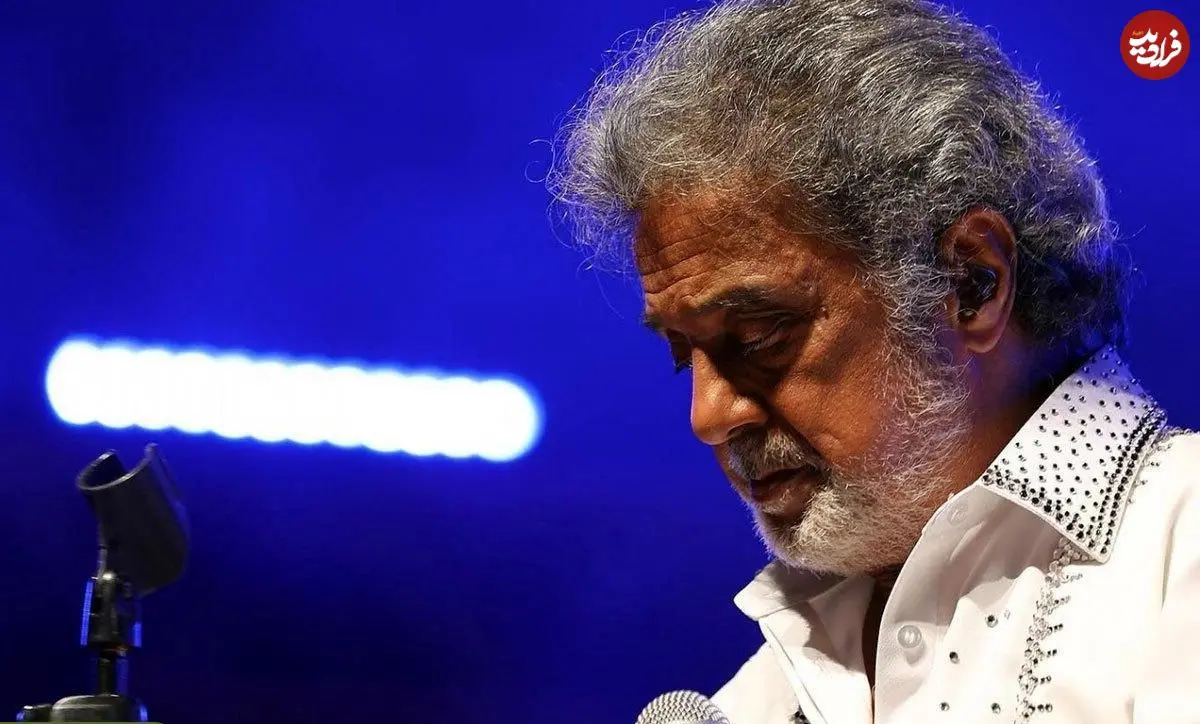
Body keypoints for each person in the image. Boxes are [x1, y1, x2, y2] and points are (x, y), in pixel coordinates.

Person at [547, 0, 1200, 722]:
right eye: (683, 357)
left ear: (970, 284)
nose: (709, 416)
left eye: (759, 335)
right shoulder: (770, 687)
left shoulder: (1181, 541)